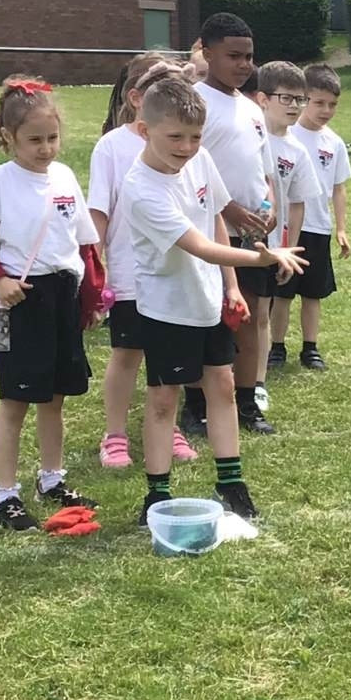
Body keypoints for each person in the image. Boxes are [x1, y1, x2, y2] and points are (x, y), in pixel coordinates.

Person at [121, 74, 306, 525]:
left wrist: (230, 286)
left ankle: (231, 482)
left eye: (195, 136)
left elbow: (215, 221)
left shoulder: (200, 160)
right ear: (144, 130)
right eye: (175, 137)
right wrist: (262, 258)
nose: (187, 147)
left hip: (208, 302)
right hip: (167, 310)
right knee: (163, 400)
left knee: (222, 386)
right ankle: (157, 495)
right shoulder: (141, 188)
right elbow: (199, 246)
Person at [0, 76, 105, 531]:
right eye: (34, 140)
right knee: (15, 399)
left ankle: (52, 478)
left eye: (52, 138)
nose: (46, 148)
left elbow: (83, 244)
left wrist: (92, 297)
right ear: (8, 136)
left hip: (62, 296)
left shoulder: (65, 177)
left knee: (55, 397)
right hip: (19, 301)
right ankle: (5, 495)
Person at [89, 51, 200, 470]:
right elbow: (99, 211)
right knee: (127, 352)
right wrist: (96, 270)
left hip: (174, 271)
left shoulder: (186, 147)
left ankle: (166, 425)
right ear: (138, 99)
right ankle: (115, 434)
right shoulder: (112, 147)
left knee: (167, 354)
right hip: (130, 272)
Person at [189, 13, 279, 435]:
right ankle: (197, 405)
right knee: (206, 317)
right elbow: (189, 169)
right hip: (208, 231)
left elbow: (263, 169)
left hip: (252, 232)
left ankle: (246, 401)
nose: (244, 65)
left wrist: (270, 205)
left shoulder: (251, 107)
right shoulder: (194, 104)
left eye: (249, 56)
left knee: (250, 313)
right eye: (234, 56)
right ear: (207, 53)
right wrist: (228, 211)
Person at [280, 63, 351, 370]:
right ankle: (276, 347)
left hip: (318, 229)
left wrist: (341, 228)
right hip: (287, 229)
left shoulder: (333, 142)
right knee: (282, 294)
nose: (326, 110)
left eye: (332, 104)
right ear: (303, 98)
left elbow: (338, 188)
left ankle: (310, 348)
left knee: (313, 294)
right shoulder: (287, 136)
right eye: (319, 102)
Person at [250, 61, 320, 374]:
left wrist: (288, 249)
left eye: (300, 99)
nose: (294, 106)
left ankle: (256, 381)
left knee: (261, 314)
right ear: (263, 99)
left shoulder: (297, 150)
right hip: (235, 238)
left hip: (273, 245)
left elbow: (297, 204)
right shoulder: (248, 135)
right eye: (287, 98)